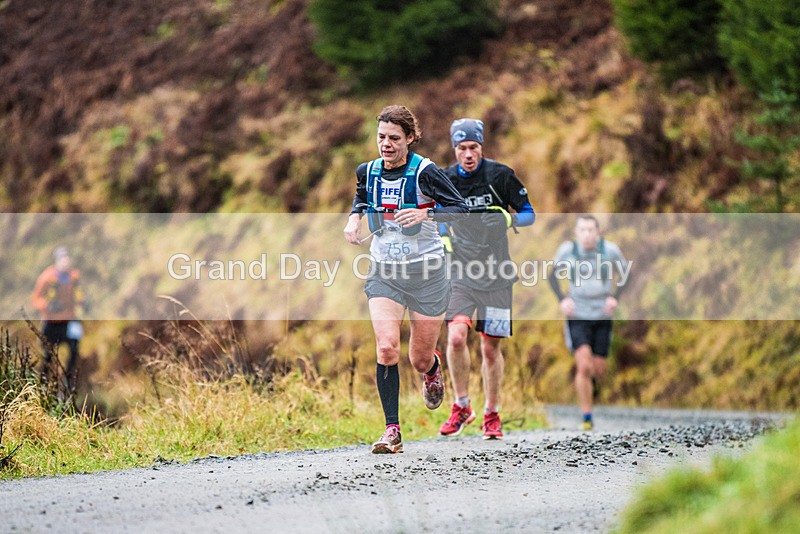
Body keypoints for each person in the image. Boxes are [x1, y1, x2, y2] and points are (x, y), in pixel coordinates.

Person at [344, 105, 468, 454]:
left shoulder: (426, 172)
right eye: (381, 137)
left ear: (410, 138)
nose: (386, 144)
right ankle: (392, 430)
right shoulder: (367, 171)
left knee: (418, 359)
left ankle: (432, 369)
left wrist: (426, 214)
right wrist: (354, 218)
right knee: (386, 348)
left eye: (394, 138)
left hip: (428, 275)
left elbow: (462, 210)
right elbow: (361, 196)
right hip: (385, 272)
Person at [437, 118, 535, 440]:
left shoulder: (500, 175)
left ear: (481, 147)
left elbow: (529, 213)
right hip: (461, 272)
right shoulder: (446, 179)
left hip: (497, 273)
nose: (468, 154)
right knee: (455, 337)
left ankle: (492, 413)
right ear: (455, 148)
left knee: (490, 348)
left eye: (474, 147)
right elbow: (438, 215)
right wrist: (444, 236)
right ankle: (462, 405)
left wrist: (508, 218)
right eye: (462, 148)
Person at [548, 215, 629, 430]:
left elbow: (625, 274)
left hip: (602, 315)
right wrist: (562, 300)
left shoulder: (609, 250)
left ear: (598, 232)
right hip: (578, 315)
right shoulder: (568, 251)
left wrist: (615, 298)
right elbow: (551, 276)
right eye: (582, 230)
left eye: (591, 230)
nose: (587, 234)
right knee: (584, 365)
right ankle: (587, 416)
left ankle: (589, 385)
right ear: (576, 233)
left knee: (598, 370)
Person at [31, 246, 88, 388]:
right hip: (51, 322)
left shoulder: (74, 277)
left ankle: (68, 381)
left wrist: (84, 303)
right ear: (57, 261)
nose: (65, 262)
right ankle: (43, 384)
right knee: (48, 355)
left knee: (74, 349)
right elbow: (36, 299)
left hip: (69, 320)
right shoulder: (47, 278)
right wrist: (48, 305)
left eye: (67, 259)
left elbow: (79, 294)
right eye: (62, 259)